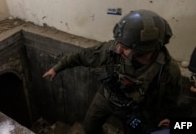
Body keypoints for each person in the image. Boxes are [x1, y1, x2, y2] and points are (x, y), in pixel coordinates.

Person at [42, 9, 181, 134]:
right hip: (107, 96)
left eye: (125, 47)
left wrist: (168, 120)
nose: (119, 49)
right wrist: (57, 68)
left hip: (136, 110)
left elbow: (170, 101)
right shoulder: (112, 50)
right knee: (89, 127)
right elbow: (82, 56)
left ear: (145, 49)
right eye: (119, 44)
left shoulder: (168, 71)